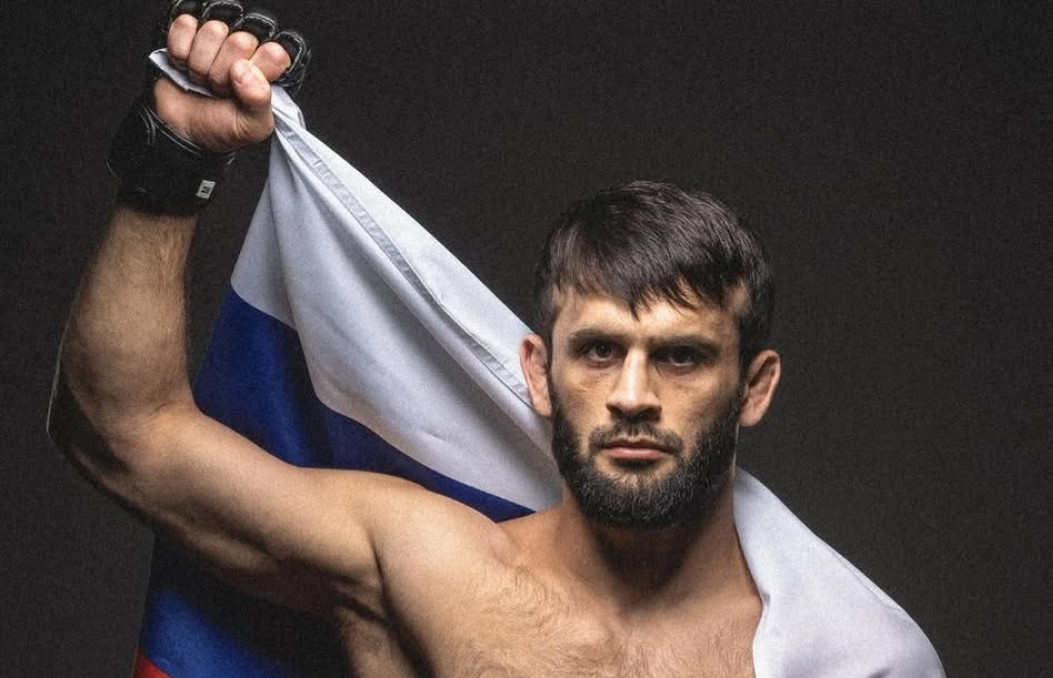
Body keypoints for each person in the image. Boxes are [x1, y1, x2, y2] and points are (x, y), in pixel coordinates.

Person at [52, 5, 942, 677]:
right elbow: (124, 433)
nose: (634, 395)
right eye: (598, 351)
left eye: (681, 356)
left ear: (754, 386)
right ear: (539, 373)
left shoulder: (855, 657)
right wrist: (175, 157)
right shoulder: (430, 567)